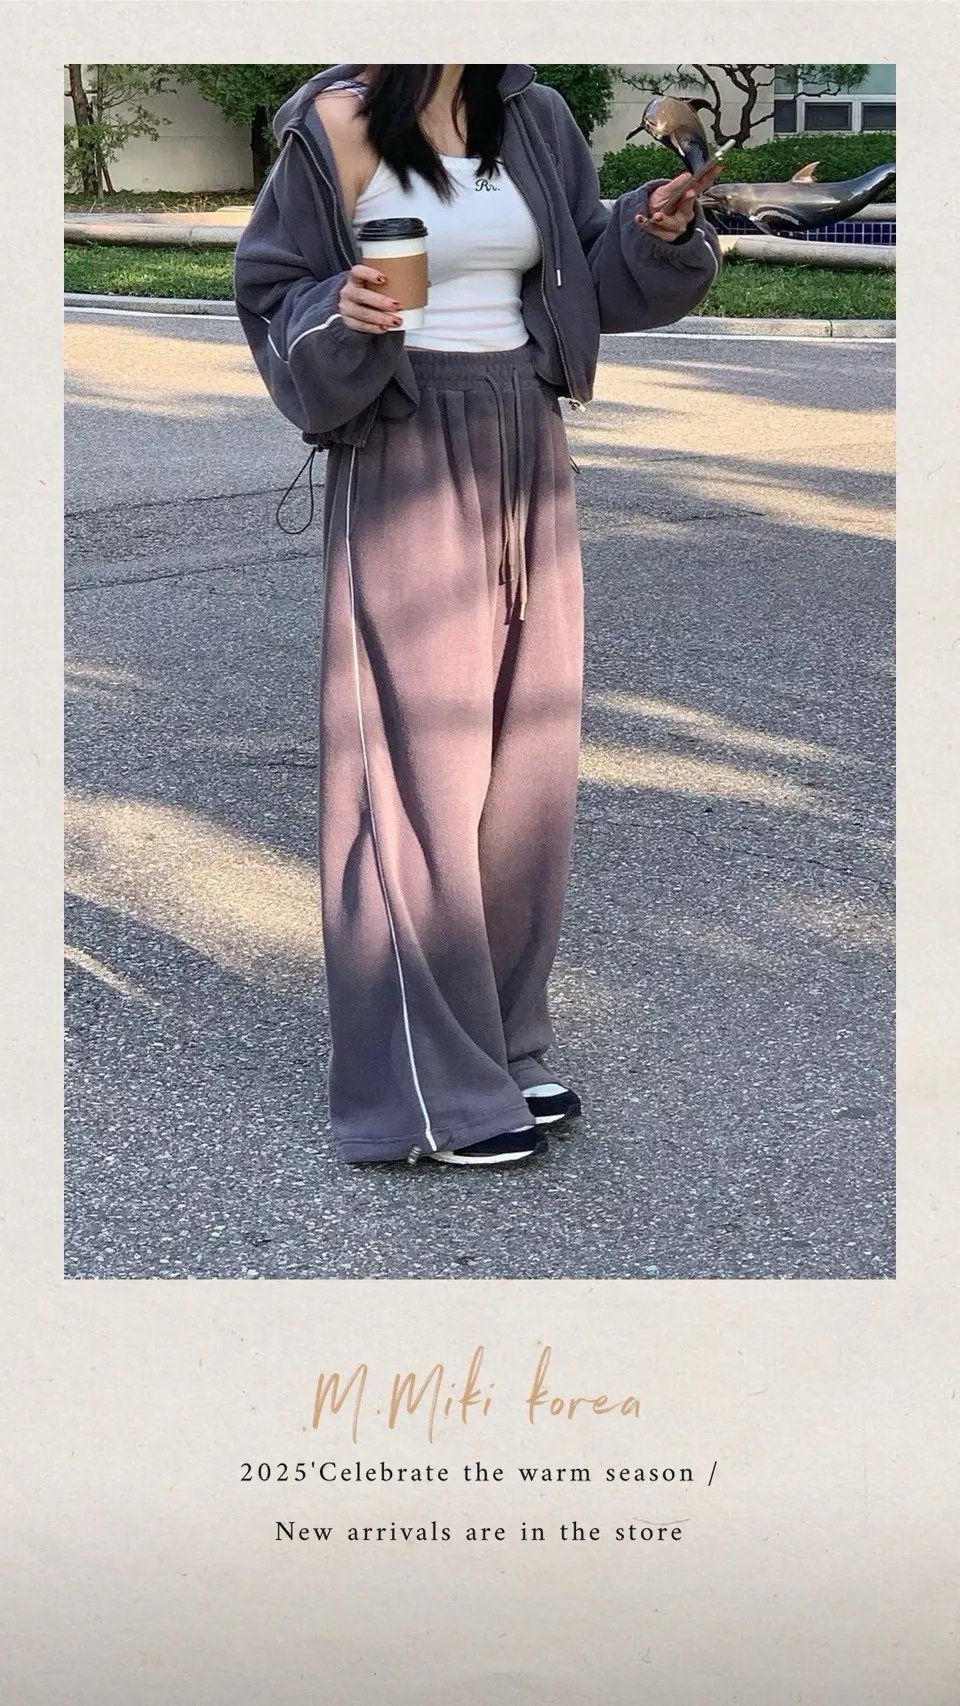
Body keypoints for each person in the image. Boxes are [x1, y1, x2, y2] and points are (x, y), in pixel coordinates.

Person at [233, 64, 721, 1169]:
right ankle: (422, 1087)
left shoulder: (532, 114)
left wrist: (650, 230)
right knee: (416, 772)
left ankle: (502, 1040)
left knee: (524, 763)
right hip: (404, 442)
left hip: (527, 440)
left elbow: (586, 274)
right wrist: (339, 310)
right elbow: (271, 289)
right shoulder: (335, 121)